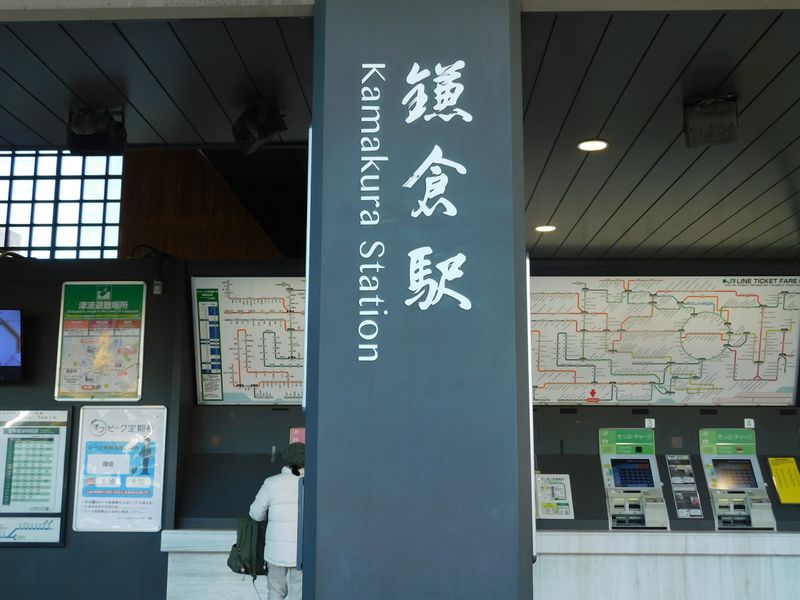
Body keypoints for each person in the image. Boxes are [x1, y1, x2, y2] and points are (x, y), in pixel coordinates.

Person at [249, 442, 304, 600]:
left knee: (275, 591)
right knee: (299, 593)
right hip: (301, 553)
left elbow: (255, 514)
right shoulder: (312, 483)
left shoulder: (271, 483)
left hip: (275, 552)